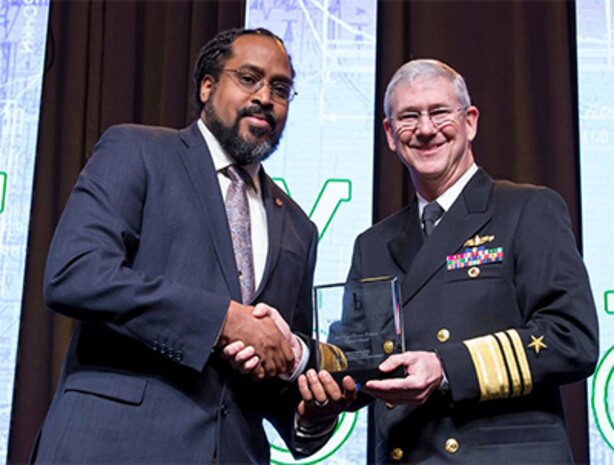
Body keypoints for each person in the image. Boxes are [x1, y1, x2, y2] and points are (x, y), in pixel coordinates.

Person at [32, 27, 321, 464]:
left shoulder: (299, 226)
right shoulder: (138, 150)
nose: (265, 96)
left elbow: (271, 362)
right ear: (207, 86)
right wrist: (224, 320)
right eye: (249, 78)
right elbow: (76, 274)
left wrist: (310, 412)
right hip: (113, 447)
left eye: (280, 88)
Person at [297, 58, 599, 464]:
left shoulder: (526, 209)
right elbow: (357, 363)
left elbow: (572, 338)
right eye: (408, 117)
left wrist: (445, 367)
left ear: (470, 121)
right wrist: (309, 377)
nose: (425, 129)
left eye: (439, 112)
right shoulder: (373, 244)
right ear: (389, 134)